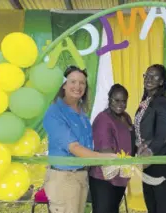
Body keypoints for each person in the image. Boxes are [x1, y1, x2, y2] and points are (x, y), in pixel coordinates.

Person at [43, 66, 116, 213]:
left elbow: (87, 145)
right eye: (73, 82)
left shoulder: (82, 112)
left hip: (82, 175)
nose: (78, 86)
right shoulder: (55, 112)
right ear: (64, 85)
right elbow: (74, 147)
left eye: (82, 83)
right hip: (64, 179)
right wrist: (103, 158)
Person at [135, 64, 166, 213]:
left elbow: (163, 133)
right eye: (147, 75)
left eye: (154, 76)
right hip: (148, 160)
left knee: (162, 205)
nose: (149, 79)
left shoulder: (162, 102)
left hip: (161, 159)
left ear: (162, 82)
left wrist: (149, 152)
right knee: (151, 201)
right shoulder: (146, 100)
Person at [89, 84, 133, 213]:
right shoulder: (103, 119)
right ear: (109, 99)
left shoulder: (126, 117)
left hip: (120, 176)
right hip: (103, 178)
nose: (120, 104)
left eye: (124, 101)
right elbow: (105, 151)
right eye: (116, 100)